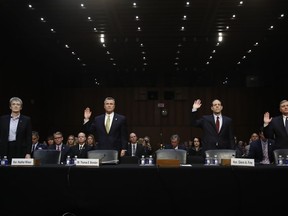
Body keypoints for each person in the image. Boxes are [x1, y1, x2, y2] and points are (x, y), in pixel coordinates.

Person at [0, 97, 32, 163]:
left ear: (21, 107)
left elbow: (28, 137)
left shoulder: (26, 120)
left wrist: (28, 153)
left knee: (19, 171)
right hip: (5, 148)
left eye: (18, 104)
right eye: (13, 104)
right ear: (10, 107)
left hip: (20, 149)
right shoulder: (3, 119)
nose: (15, 106)